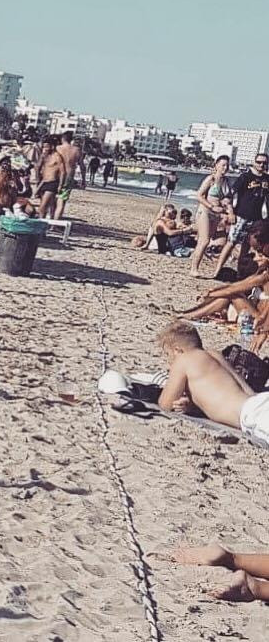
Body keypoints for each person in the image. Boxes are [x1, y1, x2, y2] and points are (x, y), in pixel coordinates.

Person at [154, 320, 269, 601]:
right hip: (259, 403)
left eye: (168, 357)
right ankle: (246, 577)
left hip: (254, 416)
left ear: (176, 350)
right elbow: (246, 393)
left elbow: (164, 404)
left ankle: (239, 569)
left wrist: (187, 403)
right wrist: (197, 404)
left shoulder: (183, 361)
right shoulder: (216, 355)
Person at [212, 153, 269, 278]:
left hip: (257, 218)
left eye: (264, 163)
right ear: (254, 162)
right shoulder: (245, 177)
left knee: (247, 246)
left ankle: (240, 273)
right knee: (231, 242)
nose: (261, 165)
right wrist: (231, 213)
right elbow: (229, 197)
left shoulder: (267, 179)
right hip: (241, 215)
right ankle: (216, 271)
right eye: (259, 162)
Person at [190, 156, 234, 276]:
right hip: (205, 211)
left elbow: (228, 199)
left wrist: (230, 212)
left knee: (206, 241)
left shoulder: (226, 181)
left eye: (227, 165)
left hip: (216, 215)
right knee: (204, 241)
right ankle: (194, 269)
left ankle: (195, 265)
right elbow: (199, 195)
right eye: (223, 165)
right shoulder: (211, 179)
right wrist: (211, 206)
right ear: (216, 165)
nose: (225, 168)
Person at [54, 131, 86, 219]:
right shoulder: (76, 150)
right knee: (61, 201)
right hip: (68, 177)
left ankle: (50, 220)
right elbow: (82, 167)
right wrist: (83, 180)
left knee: (52, 198)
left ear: (62, 139)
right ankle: (55, 223)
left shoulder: (57, 148)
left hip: (55, 175)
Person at [34, 137, 65, 219]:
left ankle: (40, 222)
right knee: (48, 205)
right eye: (44, 147)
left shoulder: (57, 157)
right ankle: (47, 221)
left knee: (42, 207)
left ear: (52, 146)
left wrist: (60, 185)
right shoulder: (44, 156)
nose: (45, 149)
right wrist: (37, 179)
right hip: (43, 182)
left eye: (47, 147)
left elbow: (62, 172)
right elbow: (37, 167)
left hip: (52, 183)